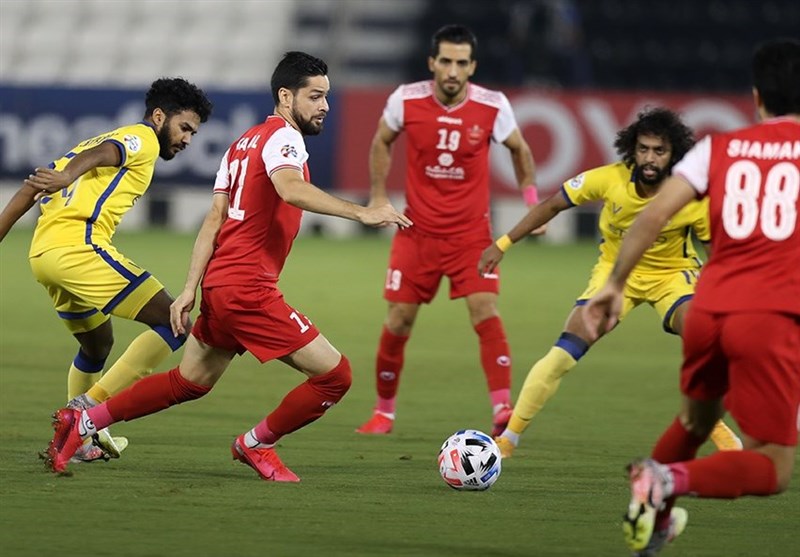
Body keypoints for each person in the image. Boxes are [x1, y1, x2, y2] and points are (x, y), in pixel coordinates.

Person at [43, 51, 412, 481]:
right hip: (248, 289)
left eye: (327, 97)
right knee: (336, 377)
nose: (325, 106)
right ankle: (257, 444)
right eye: (315, 96)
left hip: (221, 285)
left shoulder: (241, 145)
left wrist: (189, 289)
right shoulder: (285, 138)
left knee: (189, 382)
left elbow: (214, 219)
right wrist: (362, 212)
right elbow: (291, 189)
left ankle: (83, 422)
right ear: (285, 97)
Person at [583, 38, 799, 556]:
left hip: (706, 312)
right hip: (767, 320)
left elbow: (652, 215)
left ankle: (650, 520)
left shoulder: (716, 149)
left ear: (755, 97)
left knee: (695, 422)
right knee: (771, 466)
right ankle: (666, 484)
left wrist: (613, 284)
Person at [480, 107, 743, 459]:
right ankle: (508, 440)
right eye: (644, 149)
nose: (650, 158)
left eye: (659, 151)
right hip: (614, 275)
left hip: (673, 277)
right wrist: (503, 244)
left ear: (674, 154)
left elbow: (716, 252)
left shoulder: (692, 197)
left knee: (706, 341)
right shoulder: (608, 179)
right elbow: (552, 205)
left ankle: (712, 423)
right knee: (562, 355)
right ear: (632, 149)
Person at [0, 78, 212, 462]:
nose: (187, 141)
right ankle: (85, 413)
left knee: (96, 346)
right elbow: (107, 151)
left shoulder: (81, 146)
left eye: (194, 134)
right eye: (185, 128)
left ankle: (77, 442)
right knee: (175, 321)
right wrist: (67, 177)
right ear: (159, 116)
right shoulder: (141, 137)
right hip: (78, 248)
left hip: (44, 256)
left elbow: (32, 187)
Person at [356, 24, 541, 437]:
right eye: (445, 61)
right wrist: (378, 195)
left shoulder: (493, 105)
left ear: (472, 66)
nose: (453, 70)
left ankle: (502, 409)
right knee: (399, 320)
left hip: (471, 237)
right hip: (415, 232)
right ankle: (383, 413)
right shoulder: (405, 99)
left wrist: (532, 202)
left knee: (485, 311)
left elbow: (520, 150)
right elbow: (382, 140)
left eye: (461, 62)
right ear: (432, 63)